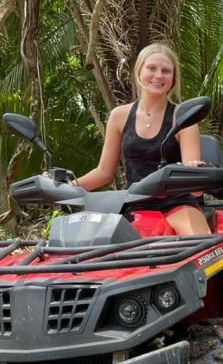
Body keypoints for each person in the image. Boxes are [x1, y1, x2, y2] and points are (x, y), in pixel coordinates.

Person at [74, 42, 211, 236]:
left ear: (173, 79)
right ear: (139, 72)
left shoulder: (184, 118)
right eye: (151, 68)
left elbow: (193, 182)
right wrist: (67, 186)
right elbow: (104, 172)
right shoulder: (119, 116)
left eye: (166, 71)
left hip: (178, 204)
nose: (158, 75)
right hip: (135, 204)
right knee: (99, 245)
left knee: (201, 243)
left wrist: (196, 173)